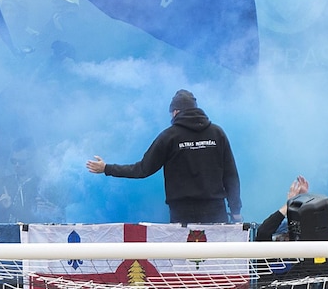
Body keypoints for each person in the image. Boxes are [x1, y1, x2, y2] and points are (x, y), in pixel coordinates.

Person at [86, 90, 241, 224]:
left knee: (184, 257)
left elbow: (142, 169)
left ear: (175, 111)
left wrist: (107, 168)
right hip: (215, 210)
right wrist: (235, 211)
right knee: (217, 257)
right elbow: (231, 175)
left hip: (182, 213)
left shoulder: (169, 136)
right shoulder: (217, 133)